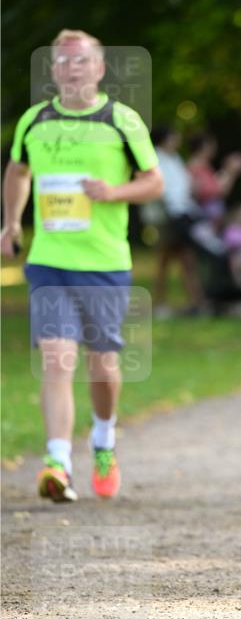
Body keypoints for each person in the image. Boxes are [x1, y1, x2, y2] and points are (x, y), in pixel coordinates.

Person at [0, 29, 163, 502]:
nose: (71, 69)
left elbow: (153, 182)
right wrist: (11, 222)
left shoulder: (121, 120)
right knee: (56, 359)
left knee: (103, 366)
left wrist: (114, 192)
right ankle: (57, 462)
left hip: (105, 264)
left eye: (80, 61)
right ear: (52, 71)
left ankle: (104, 438)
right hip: (48, 262)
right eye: (62, 62)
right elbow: (18, 169)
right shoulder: (35, 120)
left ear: (98, 68)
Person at [150, 126, 205, 318]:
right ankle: (161, 302)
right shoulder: (155, 158)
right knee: (167, 259)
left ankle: (194, 301)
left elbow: (183, 186)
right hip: (166, 217)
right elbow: (162, 189)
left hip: (181, 214)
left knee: (185, 258)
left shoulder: (175, 159)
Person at [187, 134, 241, 224]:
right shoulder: (196, 164)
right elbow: (208, 190)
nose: (215, 148)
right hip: (205, 211)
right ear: (205, 146)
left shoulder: (205, 164)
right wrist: (230, 171)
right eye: (212, 145)